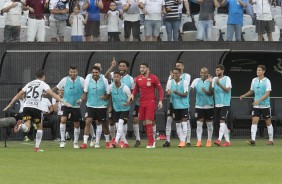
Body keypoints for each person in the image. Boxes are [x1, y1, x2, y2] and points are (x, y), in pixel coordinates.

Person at [3, 69, 71, 152]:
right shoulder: (43, 84)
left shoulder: (29, 83)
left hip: (26, 107)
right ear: (43, 76)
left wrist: (9, 105)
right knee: (39, 127)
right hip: (36, 108)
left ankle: (21, 126)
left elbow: (19, 94)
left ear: (36, 76)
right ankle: (37, 148)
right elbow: (52, 94)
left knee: (27, 128)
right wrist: (63, 101)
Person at [129, 63, 164, 148]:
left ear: (148, 69)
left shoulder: (154, 78)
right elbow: (135, 90)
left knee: (149, 122)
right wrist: (132, 95)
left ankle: (150, 143)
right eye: (140, 67)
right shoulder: (138, 78)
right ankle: (153, 140)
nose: (141, 69)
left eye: (143, 67)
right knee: (145, 123)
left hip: (151, 102)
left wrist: (160, 101)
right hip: (142, 103)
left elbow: (160, 90)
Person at [240, 65, 273, 146]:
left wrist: (258, 101)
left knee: (268, 122)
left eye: (259, 70)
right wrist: (244, 95)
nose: (257, 71)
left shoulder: (267, 81)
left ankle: (271, 140)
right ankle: (253, 140)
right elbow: (251, 91)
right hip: (256, 106)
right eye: (257, 70)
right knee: (254, 121)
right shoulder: (254, 80)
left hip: (265, 106)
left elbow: (267, 93)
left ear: (263, 71)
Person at [105, 58, 135, 147]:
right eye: (120, 66)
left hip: (124, 106)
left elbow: (132, 93)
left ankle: (121, 140)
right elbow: (106, 76)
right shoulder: (113, 74)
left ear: (127, 68)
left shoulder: (130, 79)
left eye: (123, 66)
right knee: (112, 122)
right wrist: (112, 66)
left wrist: (129, 102)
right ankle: (116, 139)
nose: (121, 67)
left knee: (123, 123)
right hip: (113, 105)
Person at [53, 65, 85, 149]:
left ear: (77, 72)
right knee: (63, 119)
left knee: (77, 124)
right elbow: (56, 88)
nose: (73, 73)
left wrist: (80, 100)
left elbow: (85, 92)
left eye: (74, 72)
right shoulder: (64, 80)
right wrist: (47, 92)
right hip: (66, 104)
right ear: (69, 72)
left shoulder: (81, 80)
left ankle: (75, 142)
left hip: (76, 106)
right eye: (71, 72)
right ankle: (62, 141)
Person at [79, 66, 111, 148]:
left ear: (99, 72)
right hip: (90, 105)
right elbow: (85, 93)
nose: (94, 74)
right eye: (93, 72)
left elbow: (108, 92)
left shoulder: (104, 80)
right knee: (88, 121)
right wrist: (80, 99)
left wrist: (105, 97)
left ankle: (107, 141)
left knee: (104, 124)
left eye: (96, 72)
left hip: (101, 106)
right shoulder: (88, 80)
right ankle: (85, 143)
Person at [163, 60, 191, 147]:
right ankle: (174, 141)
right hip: (174, 104)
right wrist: (168, 93)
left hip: (184, 104)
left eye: (179, 66)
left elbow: (185, 93)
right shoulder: (170, 80)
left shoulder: (186, 77)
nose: (174, 74)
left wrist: (176, 92)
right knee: (173, 121)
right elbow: (167, 92)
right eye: (173, 73)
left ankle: (187, 140)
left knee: (185, 122)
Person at [190, 68, 214, 147]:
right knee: (199, 124)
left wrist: (211, 83)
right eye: (201, 72)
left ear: (207, 73)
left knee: (209, 124)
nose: (203, 74)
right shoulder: (196, 81)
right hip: (199, 106)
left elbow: (211, 93)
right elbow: (190, 89)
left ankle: (209, 140)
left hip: (209, 106)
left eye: (204, 73)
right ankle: (199, 141)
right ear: (200, 73)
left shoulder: (211, 81)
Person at [212, 64, 232, 147]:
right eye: (216, 70)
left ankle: (219, 140)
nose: (217, 72)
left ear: (222, 71)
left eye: (218, 70)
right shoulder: (214, 79)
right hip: (217, 104)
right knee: (221, 123)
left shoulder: (227, 78)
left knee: (222, 121)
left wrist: (219, 84)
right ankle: (227, 141)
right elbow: (212, 90)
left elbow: (227, 90)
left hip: (225, 103)